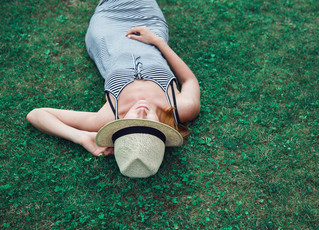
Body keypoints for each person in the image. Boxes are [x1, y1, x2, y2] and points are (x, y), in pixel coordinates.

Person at [26, 0, 200, 159]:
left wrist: (80, 136)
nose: (142, 112)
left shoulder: (109, 115)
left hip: (106, 30)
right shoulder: (181, 108)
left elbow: (36, 114)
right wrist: (158, 41)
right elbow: (189, 81)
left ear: (121, 126)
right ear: (160, 130)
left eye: (134, 120)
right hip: (149, 22)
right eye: (148, 123)